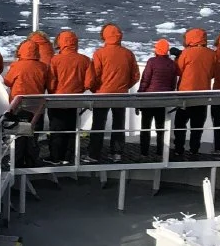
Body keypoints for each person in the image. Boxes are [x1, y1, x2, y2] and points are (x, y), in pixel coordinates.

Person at [88, 23, 140, 160]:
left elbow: (95, 75)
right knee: (119, 124)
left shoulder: (99, 54)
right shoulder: (128, 54)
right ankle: (116, 153)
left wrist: (95, 89)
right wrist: (124, 86)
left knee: (98, 124)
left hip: (102, 94)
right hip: (121, 94)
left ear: (104, 36)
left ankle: (94, 154)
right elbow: (135, 76)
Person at [3, 37, 52, 167]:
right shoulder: (43, 67)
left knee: (18, 136)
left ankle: (17, 161)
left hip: (19, 106)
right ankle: (31, 160)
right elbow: (49, 85)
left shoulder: (17, 66)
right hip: (37, 107)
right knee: (32, 136)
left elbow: (7, 81)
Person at [45, 29, 92, 162]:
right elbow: (89, 82)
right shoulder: (85, 60)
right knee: (72, 129)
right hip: (75, 100)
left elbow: (51, 82)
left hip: (57, 100)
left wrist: (52, 91)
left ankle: (55, 157)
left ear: (61, 42)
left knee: (57, 130)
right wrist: (79, 90)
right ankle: (68, 157)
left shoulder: (55, 60)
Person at [173, 28, 217, 158]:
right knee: (197, 126)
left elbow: (178, 70)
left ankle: (179, 149)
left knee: (180, 124)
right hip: (202, 95)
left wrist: (177, 57)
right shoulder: (212, 54)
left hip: (185, 95)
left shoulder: (186, 53)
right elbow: (213, 73)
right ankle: (194, 150)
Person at [137, 38, 179, 159]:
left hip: (149, 99)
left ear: (156, 50)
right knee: (160, 128)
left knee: (145, 127)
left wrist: (140, 94)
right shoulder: (171, 64)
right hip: (162, 100)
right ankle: (160, 151)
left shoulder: (151, 62)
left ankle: (144, 152)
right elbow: (173, 83)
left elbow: (145, 80)